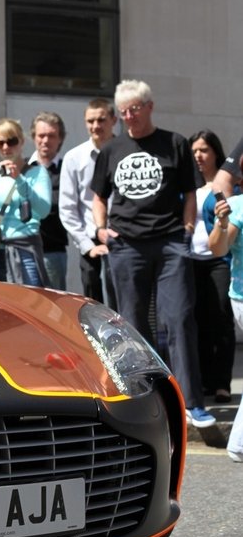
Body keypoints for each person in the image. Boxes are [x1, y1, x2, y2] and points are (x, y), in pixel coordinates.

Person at [90, 79, 214, 428]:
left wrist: (188, 230)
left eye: (134, 109)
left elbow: (190, 192)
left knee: (178, 319)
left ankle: (191, 403)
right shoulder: (111, 149)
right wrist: (101, 229)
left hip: (170, 243)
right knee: (132, 324)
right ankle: (141, 398)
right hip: (127, 245)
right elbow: (99, 196)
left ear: (149, 107)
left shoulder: (174, 143)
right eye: (123, 112)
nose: (129, 117)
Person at [0, 117, 51, 286]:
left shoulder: (36, 172)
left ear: (22, 142)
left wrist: (20, 180)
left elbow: (43, 210)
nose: (6, 147)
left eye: (11, 141)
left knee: (29, 305)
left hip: (24, 250)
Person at [188, 130, 235, 403]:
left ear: (216, 152)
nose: (198, 156)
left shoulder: (226, 185)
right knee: (198, 320)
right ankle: (205, 381)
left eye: (204, 150)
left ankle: (221, 384)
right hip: (191, 260)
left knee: (221, 319)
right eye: (194, 151)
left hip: (220, 259)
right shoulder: (188, 185)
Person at [58, 98, 118, 307]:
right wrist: (86, 245)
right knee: (93, 306)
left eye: (101, 120)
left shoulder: (126, 152)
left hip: (123, 238)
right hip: (90, 240)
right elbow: (67, 208)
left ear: (114, 120)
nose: (95, 126)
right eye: (90, 121)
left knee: (125, 303)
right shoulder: (74, 158)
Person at [207, 188, 243, 460]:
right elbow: (219, 247)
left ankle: (239, 444)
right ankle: (239, 444)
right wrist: (221, 223)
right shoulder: (237, 206)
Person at [28, 111, 69, 290]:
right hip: (24, 251)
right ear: (33, 137)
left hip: (53, 251)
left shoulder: (67, 169)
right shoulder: (22, 168)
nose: (45, 140)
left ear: (60, 139)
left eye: (51, 136)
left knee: (54, 307)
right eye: (41, 135)